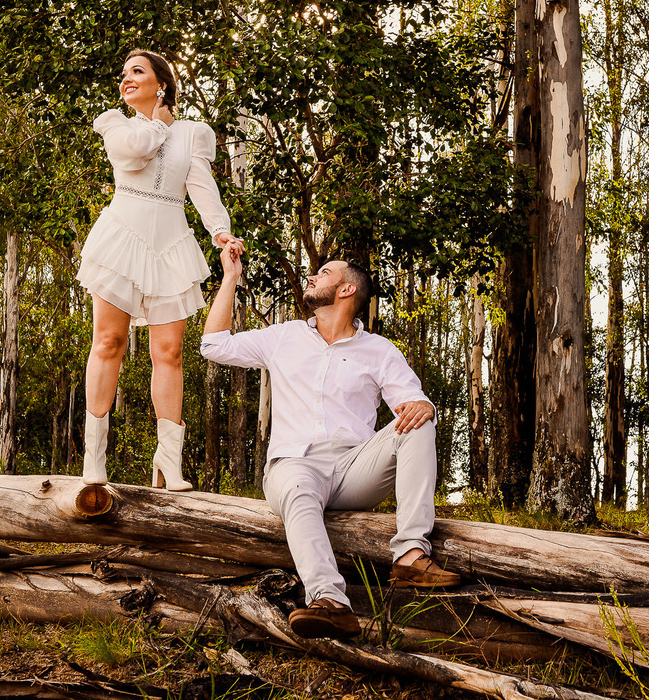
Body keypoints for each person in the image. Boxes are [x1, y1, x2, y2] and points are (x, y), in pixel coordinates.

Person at [199, 243, 459, 639]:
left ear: (346, 290)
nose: (312, 277)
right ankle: (331, 602)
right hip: (295, 466)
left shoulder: (378, 350)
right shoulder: (284, 337)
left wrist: (422, 404)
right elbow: (213, 346)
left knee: (420, 420)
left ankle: (410, 556)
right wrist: (231, 277)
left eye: (323, 273)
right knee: (299, 489)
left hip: (355, 468)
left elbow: (412, 402)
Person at [77, 49, 245, 491]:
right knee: (108, 341)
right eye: (123, 73)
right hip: (121, 238)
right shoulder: (116, 123)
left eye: (137, 72)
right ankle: (94, 462)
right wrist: (157, 121)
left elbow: (201, 188)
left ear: (162, 82)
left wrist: (220, 233)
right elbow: (134, 155)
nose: (125, 79)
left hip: (171, 243)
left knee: (169, 353)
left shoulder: (194, 134)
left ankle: (169, 465)